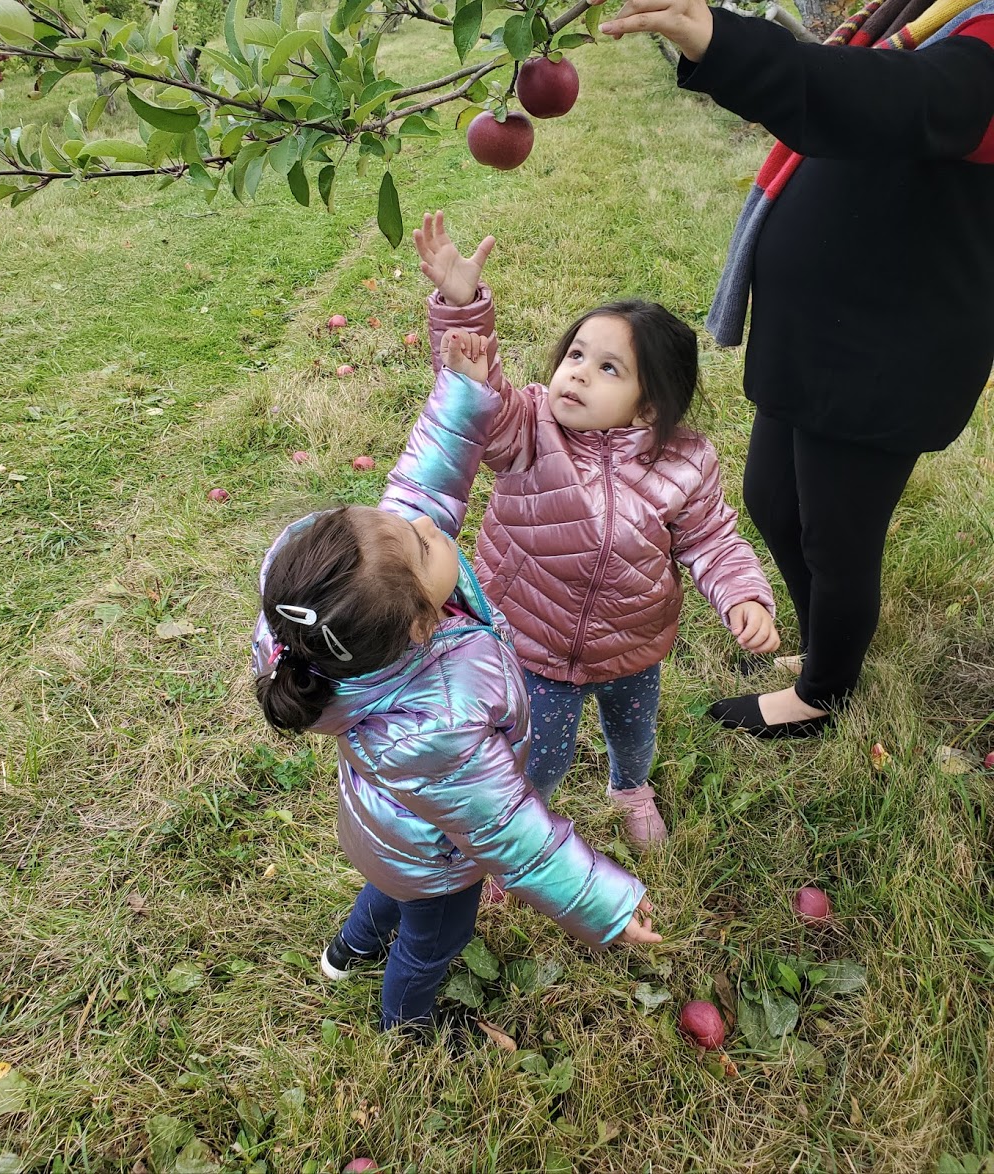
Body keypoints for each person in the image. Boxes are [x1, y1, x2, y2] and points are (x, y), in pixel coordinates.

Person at [598, 0, 994, 736]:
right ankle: (825, 647)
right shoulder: (931, 12)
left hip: (888, 348)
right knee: (773, 500)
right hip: (820, 330)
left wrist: (721, 40)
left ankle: (825, 692)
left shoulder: (985, 48)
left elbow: (870, 98)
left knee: (837, 536)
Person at [251, 329, 661, 1036]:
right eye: (422, 543)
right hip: (440, 857)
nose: (428, 527)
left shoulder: (337, 608)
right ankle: (404, 1021)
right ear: (422, 626)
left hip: (388, 831)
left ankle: (345, 952)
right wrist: (603, 902)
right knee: (432, 940)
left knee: (385, 887)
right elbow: (513, 833)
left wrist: (464, 390)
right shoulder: (436, 730)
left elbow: (422, 485)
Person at [412, 211, 779, 847]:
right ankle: (519, 832)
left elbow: (712, 538)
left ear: (651, 405)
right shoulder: (527, 427)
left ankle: (630, 787)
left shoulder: (685, 461)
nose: (577, 371)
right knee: (541, 757)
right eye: (576, 354)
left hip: (632, 641)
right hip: (533, 637)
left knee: (634, 730)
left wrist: (743, 594)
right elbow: (478, 397)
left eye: (609, 368)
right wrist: (463, 307)